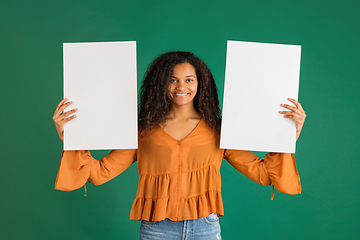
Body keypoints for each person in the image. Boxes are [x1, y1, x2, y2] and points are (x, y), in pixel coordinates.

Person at [53, 51, 306, 240]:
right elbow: (99, 173)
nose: (181, 87)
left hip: (205, 228)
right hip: (157, 229)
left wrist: (287, 136)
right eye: (172, 80)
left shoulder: (220, 129)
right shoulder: (142, 130)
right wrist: (70, 136)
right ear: (160, 84)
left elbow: (262, 173)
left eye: (189, 80)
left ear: (200, 82)